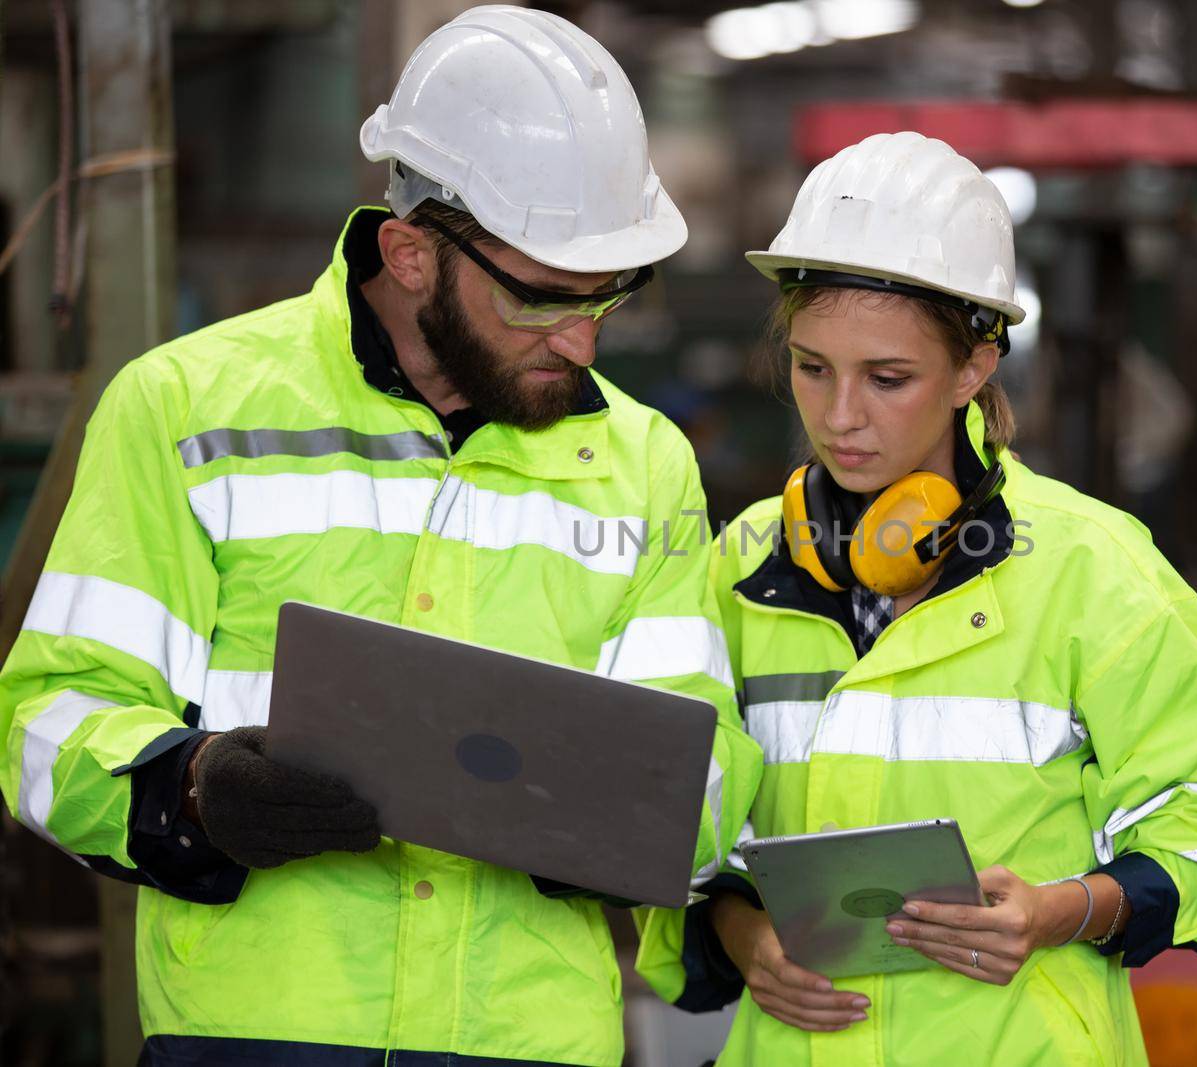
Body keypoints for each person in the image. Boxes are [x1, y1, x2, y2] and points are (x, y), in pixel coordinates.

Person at [0, 8, 759, 1065]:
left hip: (527, 1041)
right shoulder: (186, 411)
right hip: (257, 1034)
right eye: (541, 299)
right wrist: (196, 785)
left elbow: (708, 767)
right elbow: (49, 718)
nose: (583, 340)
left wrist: (615, 815)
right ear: (409, 253)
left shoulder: (643, 462)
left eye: (610, 297)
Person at [636, 131, 1197, 1065]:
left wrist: (1066, 909)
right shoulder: (738, 567)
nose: (840, 415)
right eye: (812, 367)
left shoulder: (1090, 568)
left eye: (887, 378)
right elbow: (685, 834)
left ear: (975, 368)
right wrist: (745, 936)